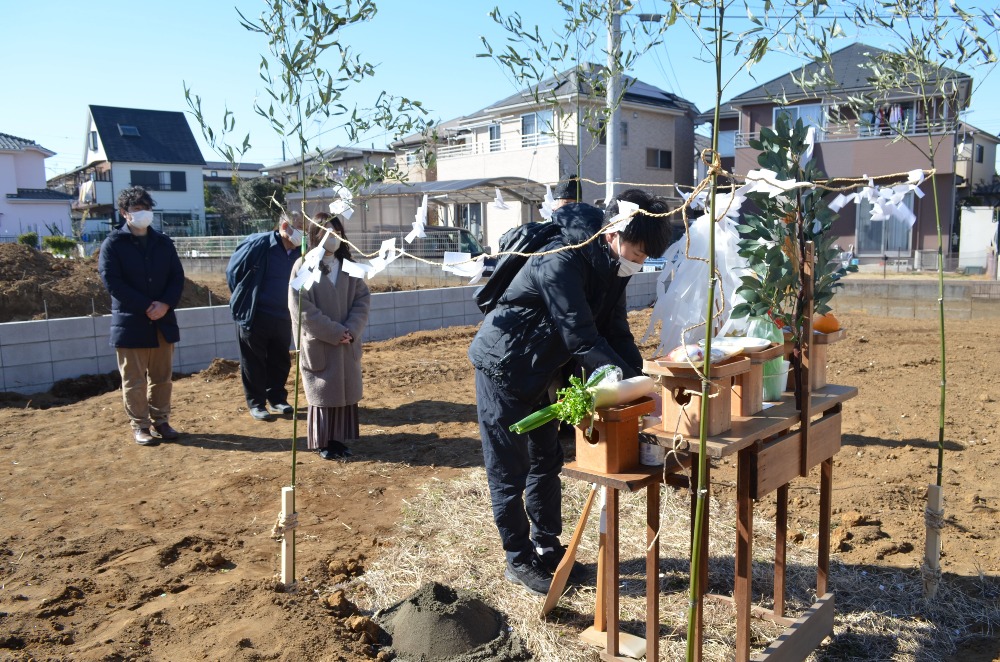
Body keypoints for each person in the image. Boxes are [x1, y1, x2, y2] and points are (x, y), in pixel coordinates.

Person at [467, 195, 671, 596]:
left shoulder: (614, 267)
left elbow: (616, 332)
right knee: (509, 466)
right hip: (504, 365)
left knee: (547, 457)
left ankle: (547, 546)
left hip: (546, 368)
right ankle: (518, 558)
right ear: (613, 232)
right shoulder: (560, 259)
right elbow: (581, 338)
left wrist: (645, 381)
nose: (641, 262)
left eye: (648, 256)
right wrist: (632, 385)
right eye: (639, 251)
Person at [98, 186, 185, 446]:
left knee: (162, 377)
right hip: (131, 322)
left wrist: (166, 304)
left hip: (163, 320)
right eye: (137, 209)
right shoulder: (113, 243)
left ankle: (161, 420)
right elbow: (112, 282)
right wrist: (147, 305)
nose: (143, 213)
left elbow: (177, 277)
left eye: (147, 208)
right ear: (125, 213)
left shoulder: (163, 242)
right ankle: (140, 426)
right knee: (134, 380)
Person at [289, 212, 370, 460]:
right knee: (324, 394)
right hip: (320, 343)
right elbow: (300, 305)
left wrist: (351, 329)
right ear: (315, 236)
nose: (331, 238)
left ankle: (339, 440)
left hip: (347, 342)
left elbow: (362, 300)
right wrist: (334, 331)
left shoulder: (350, 266)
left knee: (343, 393)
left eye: (335, 232)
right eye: (325, 232)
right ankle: (323, 441)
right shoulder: (304, 265)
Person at [226, 211, 305, 421]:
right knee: (253, 360)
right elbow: (234, 274)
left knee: (280, 359)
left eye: (304, 227)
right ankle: (257, 403)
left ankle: (277, 399)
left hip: (284, 315)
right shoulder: (259, 245)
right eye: (298, 226)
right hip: (255, 313)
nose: (302, 232)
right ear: (284, 226)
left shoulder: (302, 253)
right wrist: (247, 298)